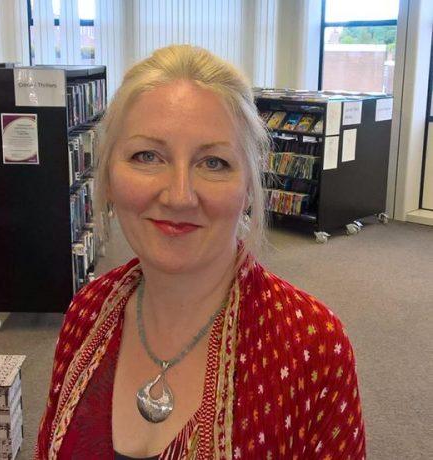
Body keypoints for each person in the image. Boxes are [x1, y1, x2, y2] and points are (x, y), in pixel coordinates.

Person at [35, 44, 366, 459]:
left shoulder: (312, 345)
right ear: (108, 174)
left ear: (248, 183)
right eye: (147, 156)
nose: (179, 196)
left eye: (213, 163)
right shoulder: (86, 312)